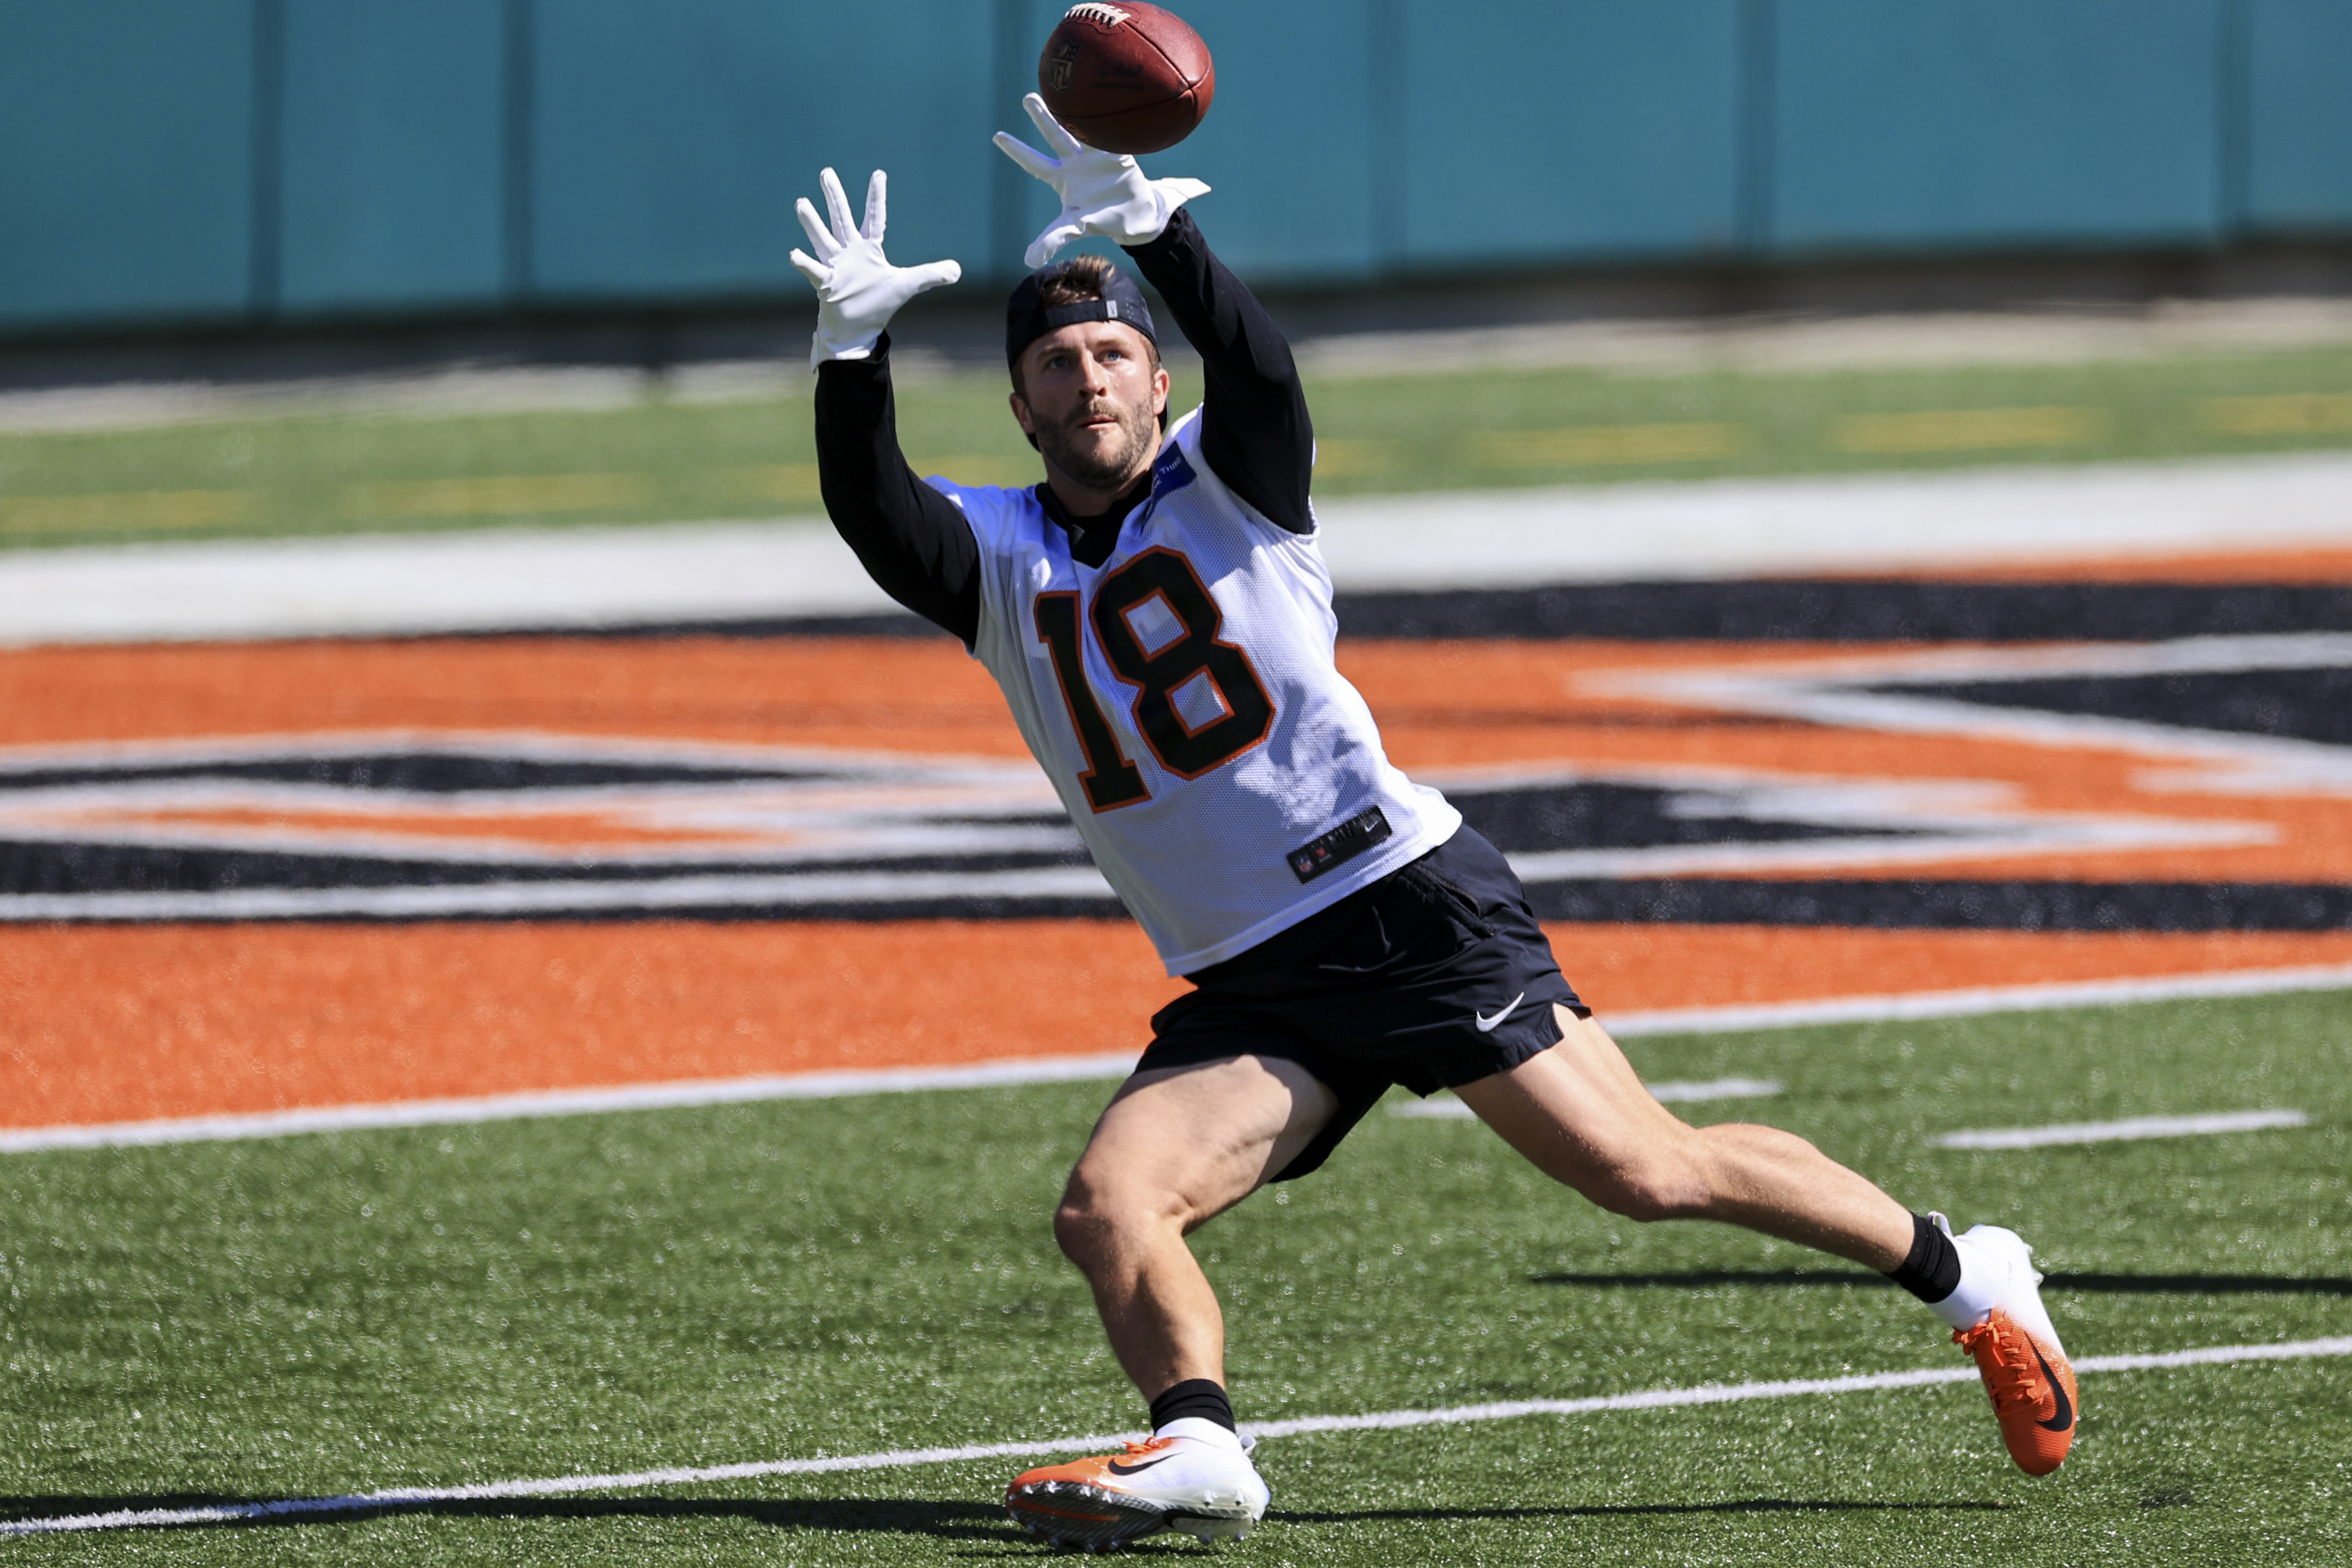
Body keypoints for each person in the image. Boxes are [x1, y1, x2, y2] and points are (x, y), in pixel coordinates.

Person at [793, 96, 2079, 1552]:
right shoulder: (998, 557)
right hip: (1256, 971)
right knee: (1108, 1207)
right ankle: (1203, 1448)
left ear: (1158, 383)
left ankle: (1967, 1273)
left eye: (1112, 354)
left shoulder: (1236, 480)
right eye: (1054, 365)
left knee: (1648, 1173)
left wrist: (1164, 232)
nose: (1087, 379)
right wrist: (851, 351)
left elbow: (1265, 368)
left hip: (1401, 901)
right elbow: (874, 511)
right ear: (1020, 408)